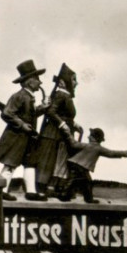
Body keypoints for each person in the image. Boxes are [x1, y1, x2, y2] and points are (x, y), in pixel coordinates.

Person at [0, 59, 49, 200]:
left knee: (30, 163)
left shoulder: (28, 97)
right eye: (37, 79)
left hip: (27, 137)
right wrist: (22, 125)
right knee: (11, 163)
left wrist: (43, 108)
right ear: (30, 81)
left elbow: (31, 114)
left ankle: (31, 192)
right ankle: (2, 190)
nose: (40, 82)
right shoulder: (19, 96)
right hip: (17, 136)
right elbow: (7, 113)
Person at [27, 63, 83, 200]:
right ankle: (41, 189)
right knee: (47, 161)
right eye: (74, 79)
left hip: (58, 135)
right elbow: (51, 111)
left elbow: (64, 114)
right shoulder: (61, 95)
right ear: (63, 82)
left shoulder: (65, 96)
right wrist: (63, 123)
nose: (76, 83)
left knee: (53, 162)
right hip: (51, 134)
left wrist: (73, 123)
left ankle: (48, 188)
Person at [62, 127, 127, 203]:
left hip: (76, 164)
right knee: (85, 182)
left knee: (80, 181)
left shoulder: (87, 145)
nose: (88, 137)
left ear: (94, 138)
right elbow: (111, 153)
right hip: (80, 166)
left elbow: (73, 144)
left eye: (90, 135)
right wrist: (125, 153)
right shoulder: (98, 148)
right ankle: (75, 196)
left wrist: (67, 133)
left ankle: (67, 195)